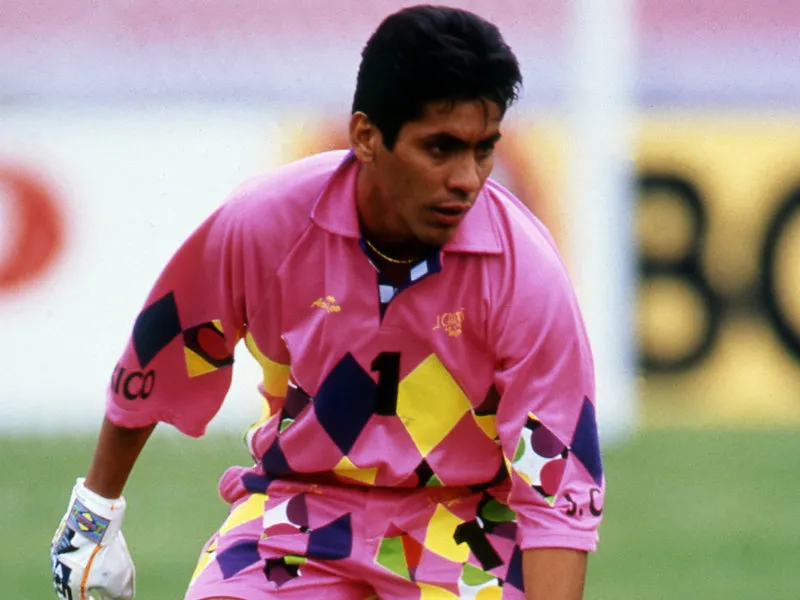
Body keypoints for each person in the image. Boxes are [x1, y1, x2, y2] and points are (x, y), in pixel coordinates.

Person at [50, 5, 604, 599]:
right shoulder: (263, 224)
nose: (467, 178)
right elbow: (159, 354)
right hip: (295, 516)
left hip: (468, 531)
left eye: (483, 149)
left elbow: (558, 492)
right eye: (440, 148)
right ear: (366, 136)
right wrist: (93, 516)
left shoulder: (528, 273)